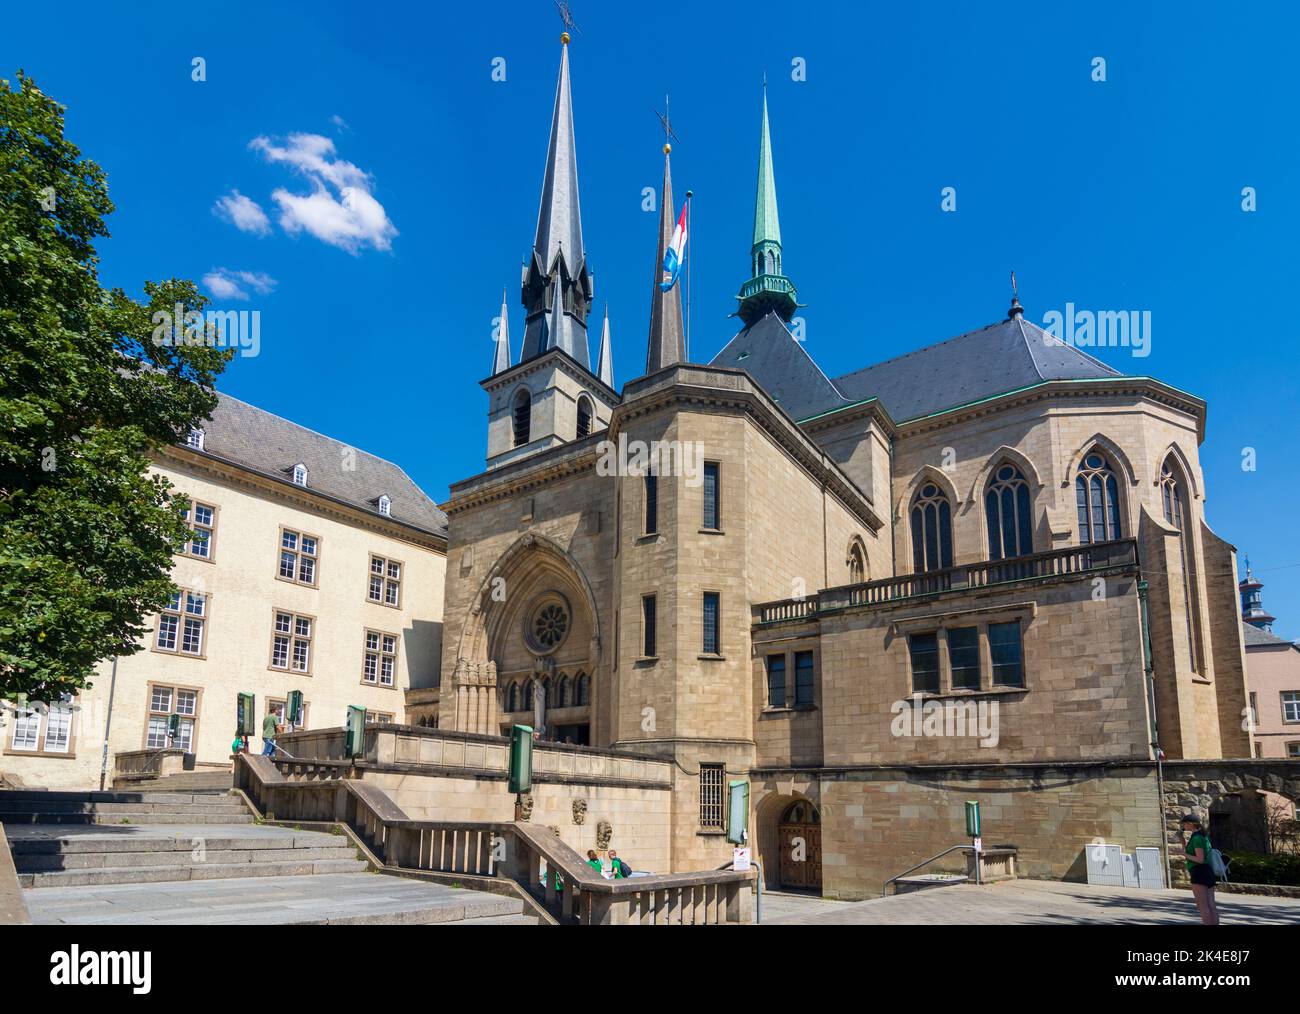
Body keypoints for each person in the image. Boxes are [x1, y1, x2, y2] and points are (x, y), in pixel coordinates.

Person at [1182, 814, 1219, 925]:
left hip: (1199, 872)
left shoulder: (1197, 838)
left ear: (1190, 824)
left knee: (1202, 905)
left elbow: (1200, 859)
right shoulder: (1203, 836)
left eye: (1184, 823)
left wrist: (1184, 854)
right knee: (1211, 904)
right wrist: (1183, 842)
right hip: (1207, 871)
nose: (1183, 826)